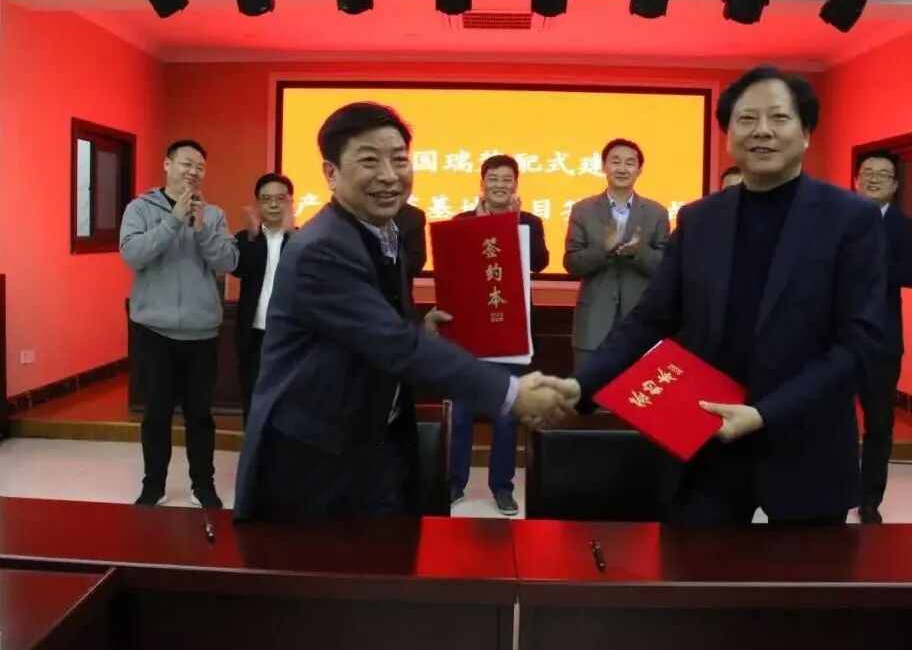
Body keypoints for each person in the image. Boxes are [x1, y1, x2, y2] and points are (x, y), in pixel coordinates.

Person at [563, 65, 887, 525]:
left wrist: (764, 414)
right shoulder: (699, 219)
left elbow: (860, 345)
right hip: (704, 439)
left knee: (804, 573)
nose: (762, 131)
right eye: (746, 119)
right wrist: (580, 386)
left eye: (778, 118)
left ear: (806, 132)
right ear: (729, 134)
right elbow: (651, 319)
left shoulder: (850, 219)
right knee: (694, 568)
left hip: (805, 442)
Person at [233, 102, 577, 521]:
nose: (389, 176)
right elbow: (395, 344)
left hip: (375, 440)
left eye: (399, 160)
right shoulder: (323, 248)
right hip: (317, 458)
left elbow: (374, 327)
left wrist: (420, 328)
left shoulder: (383, 230)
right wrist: (511, 393)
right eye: (369, 161)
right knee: (330, 561)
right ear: (330, 173)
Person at [120, 139, 238, 509]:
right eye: (186, 163)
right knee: (156, 414)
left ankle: (203, 486)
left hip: (202, 333)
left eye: (200, 167)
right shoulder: (140, 208)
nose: (193, 171)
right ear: (167, 164)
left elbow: (228, 261)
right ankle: (153, 485)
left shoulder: (213, 214)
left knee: (200, 415)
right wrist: (173, 221)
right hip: (154, 331)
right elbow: (133, 254)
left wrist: (201, 229)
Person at [449, 154, 549, 515]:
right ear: (482, 183)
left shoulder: (529, 222)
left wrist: (514, 224)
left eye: (507, 179)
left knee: (507, 413)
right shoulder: (461, 222)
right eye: (493, 179)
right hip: (471, 329)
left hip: (511, 329)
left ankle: (502, 488)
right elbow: (453, 265)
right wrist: (479, 228)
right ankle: (454, 483)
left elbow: (540, 262)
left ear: (516, 185)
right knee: (462, 410)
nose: (500, 185)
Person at [854, 150, 912, 524]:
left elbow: (909, 274)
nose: (874, 178)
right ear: (856, 180)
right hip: (835, 338)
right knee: (829, 420)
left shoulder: (905, 228)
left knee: (879, 425)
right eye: (867, 172)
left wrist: (865, 260)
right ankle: (835, 489)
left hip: (882, 341)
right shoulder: (836, 219)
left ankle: (869, 499)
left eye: (883, 174)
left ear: (895, 185)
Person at [563, 139, 670, 369]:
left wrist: (638, 252)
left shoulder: (657, 212)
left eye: (630, 163)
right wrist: (603, 249)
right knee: (588, 389)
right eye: (615, 162)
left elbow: (666, 267)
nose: (622, 168)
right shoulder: (583, 210)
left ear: (639, 170)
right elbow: (572, 263)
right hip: (593, 323)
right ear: (604, 166)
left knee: (638, 390)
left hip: (641, 322)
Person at [233, 173, 295, 427]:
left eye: (280, 199)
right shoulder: (245, 238)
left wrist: (292, 234)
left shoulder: (303, 240)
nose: (273, 205)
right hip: (254, 335)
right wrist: (251, 238)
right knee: (254, 399)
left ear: (290, 202)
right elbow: (239, 270)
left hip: (291, 335)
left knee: (290, 403)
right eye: (266, 199)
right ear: (257, 204)